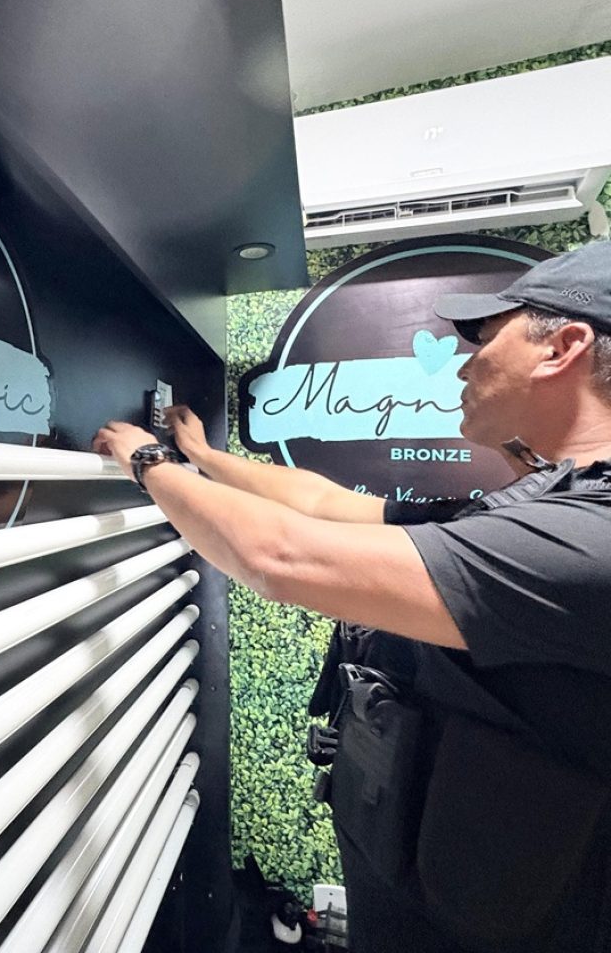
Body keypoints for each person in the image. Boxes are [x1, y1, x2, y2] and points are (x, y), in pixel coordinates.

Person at [93, 241, 611, 953]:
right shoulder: (548, 504)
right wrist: (206, 460)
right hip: (435, 885)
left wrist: (146, 461)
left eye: (487, 338)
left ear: (563, 347)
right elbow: (324, 503)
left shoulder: (588, 537)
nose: (465, 364)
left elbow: (280, 556)